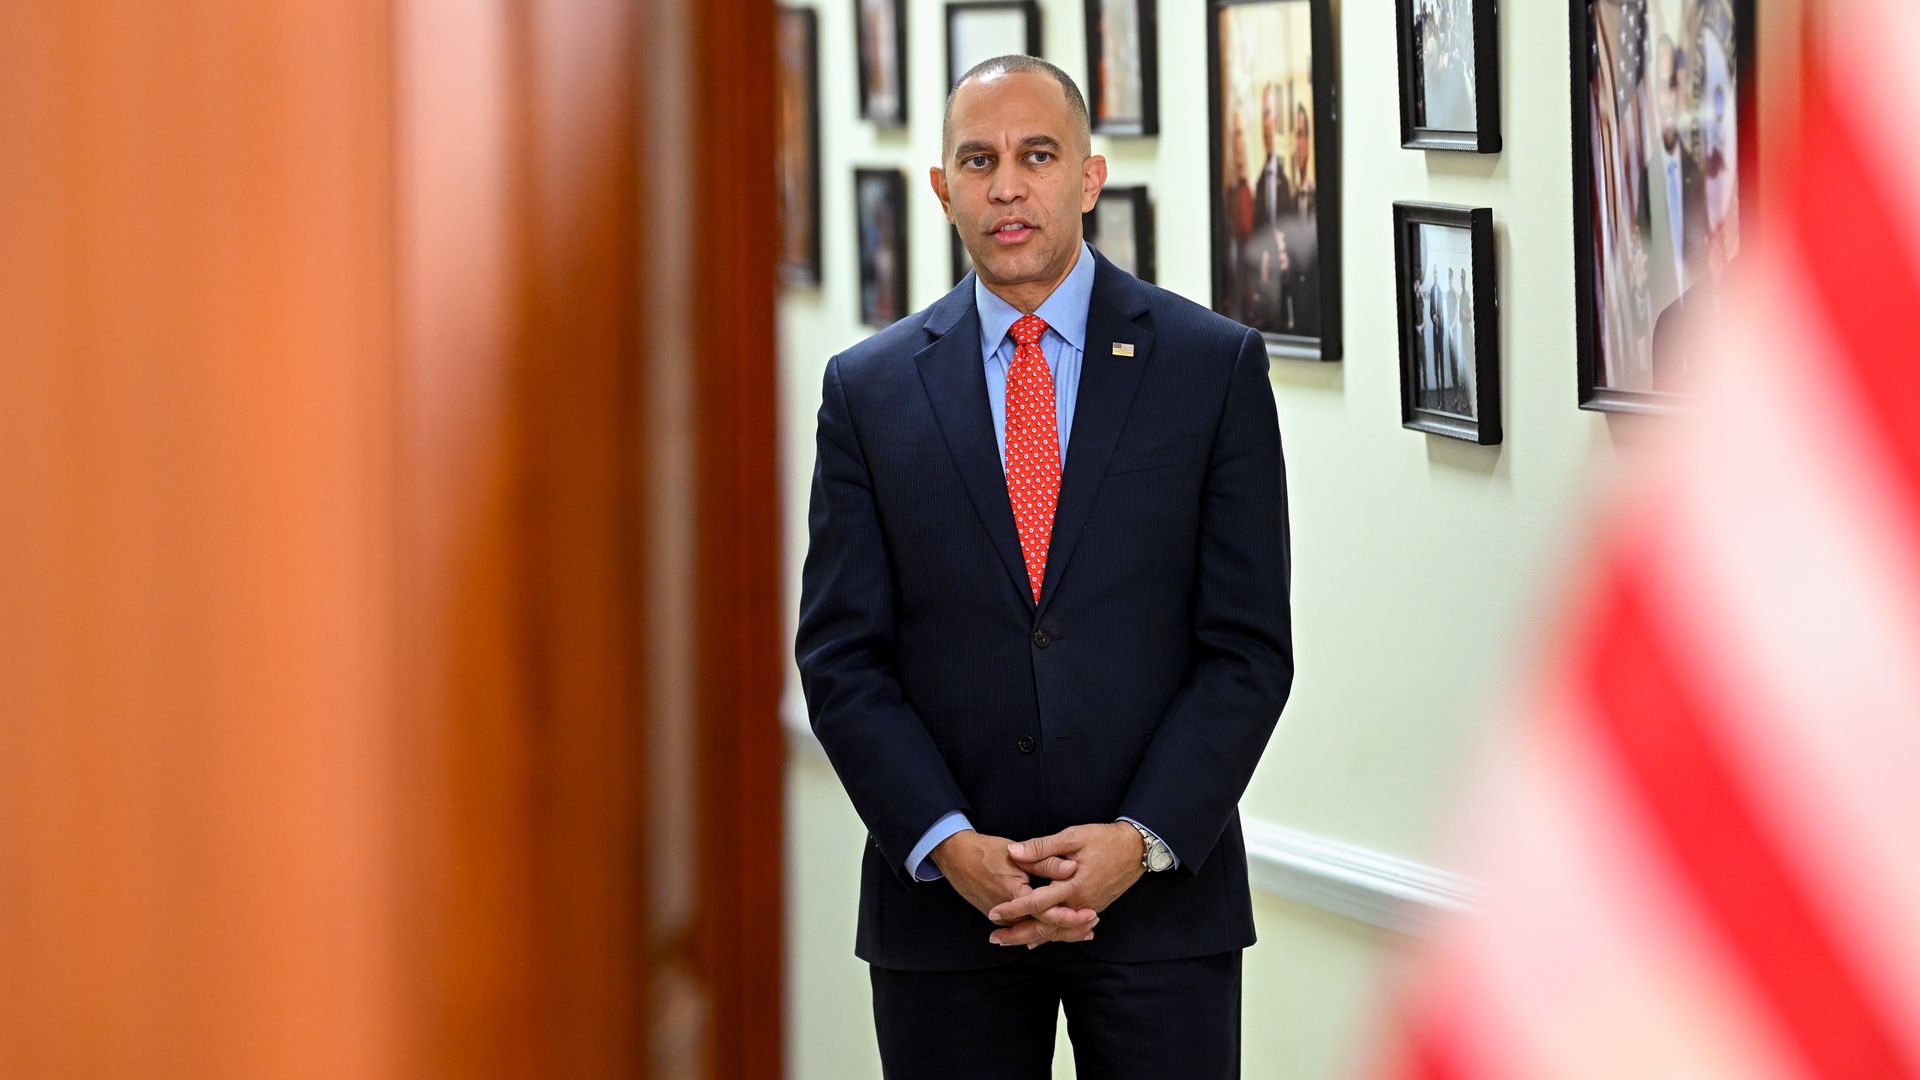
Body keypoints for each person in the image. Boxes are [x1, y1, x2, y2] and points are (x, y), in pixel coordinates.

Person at [796, 54, 1293, 1080]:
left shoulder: (1212, 368)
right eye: (978, 160)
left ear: (1089, 178)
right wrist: (945, 842)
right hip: (945, 915)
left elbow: (1246, 649)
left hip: (1161, 910)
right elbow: (842, 656)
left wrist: (1138, 837)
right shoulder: (869, 392)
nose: (1007, 185)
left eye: (1037, 155)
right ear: (942, 188)